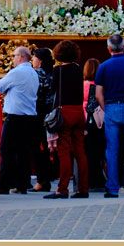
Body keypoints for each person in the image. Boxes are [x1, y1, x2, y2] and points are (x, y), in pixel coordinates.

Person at [95, 34, 124, 198]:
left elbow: (98, 94)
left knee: (112, 150)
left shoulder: (103, 66)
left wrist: (106, 108)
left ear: (109, 49)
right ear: (123, 47)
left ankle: (113, 187)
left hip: (112, 106)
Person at [44, 40, 89, 199]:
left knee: (63, 151)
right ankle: (83, 188)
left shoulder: (58, 70)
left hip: (64, 111)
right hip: (78, 111)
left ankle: (62, 188)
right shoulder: (78, 69)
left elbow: (52, 91)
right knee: (80, 151)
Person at [0, 46, 39, 195]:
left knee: (7, 150)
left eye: (14, 55)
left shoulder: (16, 72)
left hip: (15, 116)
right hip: (30, 117)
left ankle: (4, 184)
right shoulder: (33, 73)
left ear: (20, 57)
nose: (12, 58)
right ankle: (22, 183)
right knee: (23, 152)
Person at [31, 47, 55, 192]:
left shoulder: (36, 74)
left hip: (38, 113)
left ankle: (42, 179)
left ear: (39, 60)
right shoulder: (53, 73)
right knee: (48, 147)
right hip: (51, 114)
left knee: (37, 147)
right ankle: (48, 177)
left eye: (34, 57)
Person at [83, 57, 106, 191]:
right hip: (100, 118)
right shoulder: (101, 86)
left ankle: (90, 179)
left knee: (88, 151)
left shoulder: (83, 85)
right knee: (100, 149)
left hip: (87, 119)